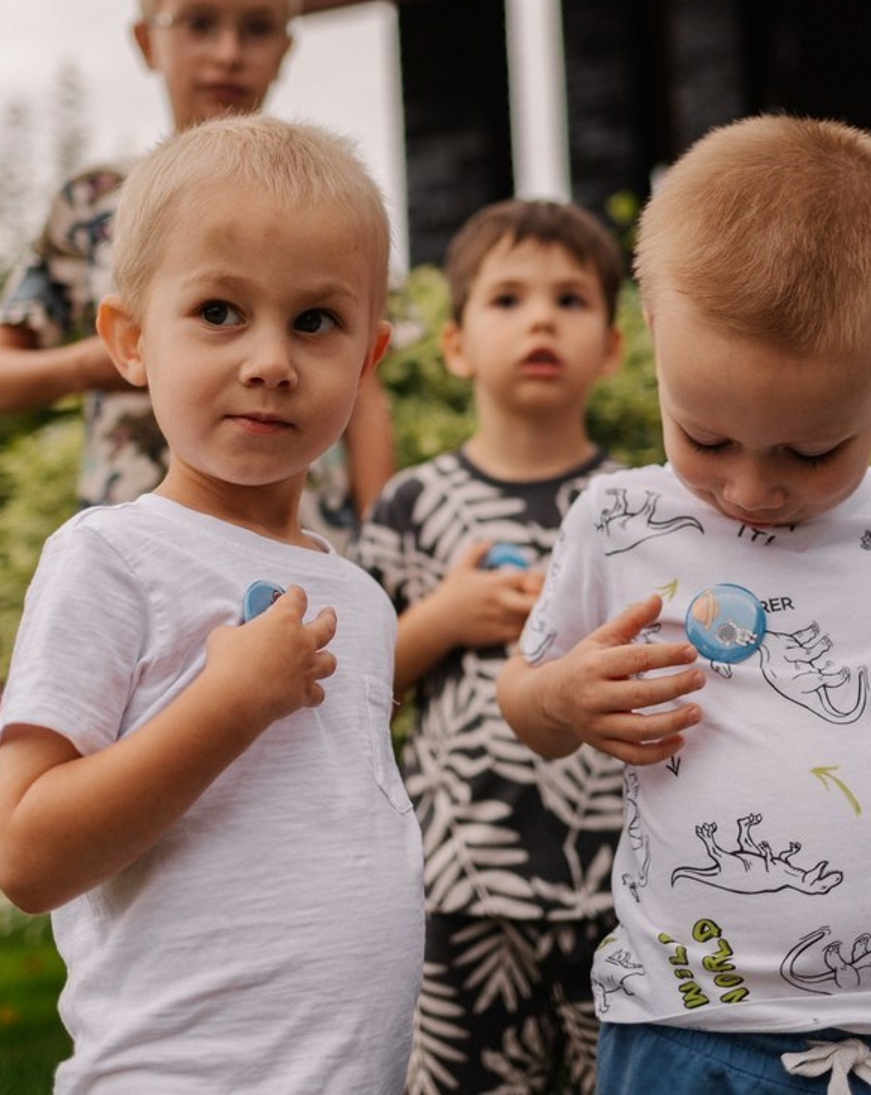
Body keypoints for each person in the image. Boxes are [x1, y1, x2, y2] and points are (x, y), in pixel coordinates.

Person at [497, 114, 871, 1094]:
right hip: (692, 1027)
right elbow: (525, 700)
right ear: (654, 343)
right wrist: (564, 699)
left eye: (808, 450)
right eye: (704, 435)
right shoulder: (621, 519)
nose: (750, 488)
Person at [0, 115, 424, 1093]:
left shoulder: (356, 594)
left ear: (365, 357)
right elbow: (26, 852)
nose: (270, 358)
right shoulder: (109, 555)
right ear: (129, 340)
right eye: (221, 311)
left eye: (315, 321)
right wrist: (225, 705)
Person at [0, 0, 394, 544]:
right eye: (198, 24)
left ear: (286, 48)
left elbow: (367, 395)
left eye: (257, 28)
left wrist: (378, 544)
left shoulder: (330, 206)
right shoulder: (98, 203)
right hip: (140, 549)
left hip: (302, 540)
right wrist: (112, 357)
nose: (228, 53)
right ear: (144, 40)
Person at [352, 198, 627, 1093]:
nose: (541, 317)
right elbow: (349, 688)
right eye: (507, 299)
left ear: (614, 348)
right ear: (458, 344)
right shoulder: (411, 504)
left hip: (626, 888)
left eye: (571, 300)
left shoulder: (644, 506)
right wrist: (443, 617)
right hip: (460, 888)